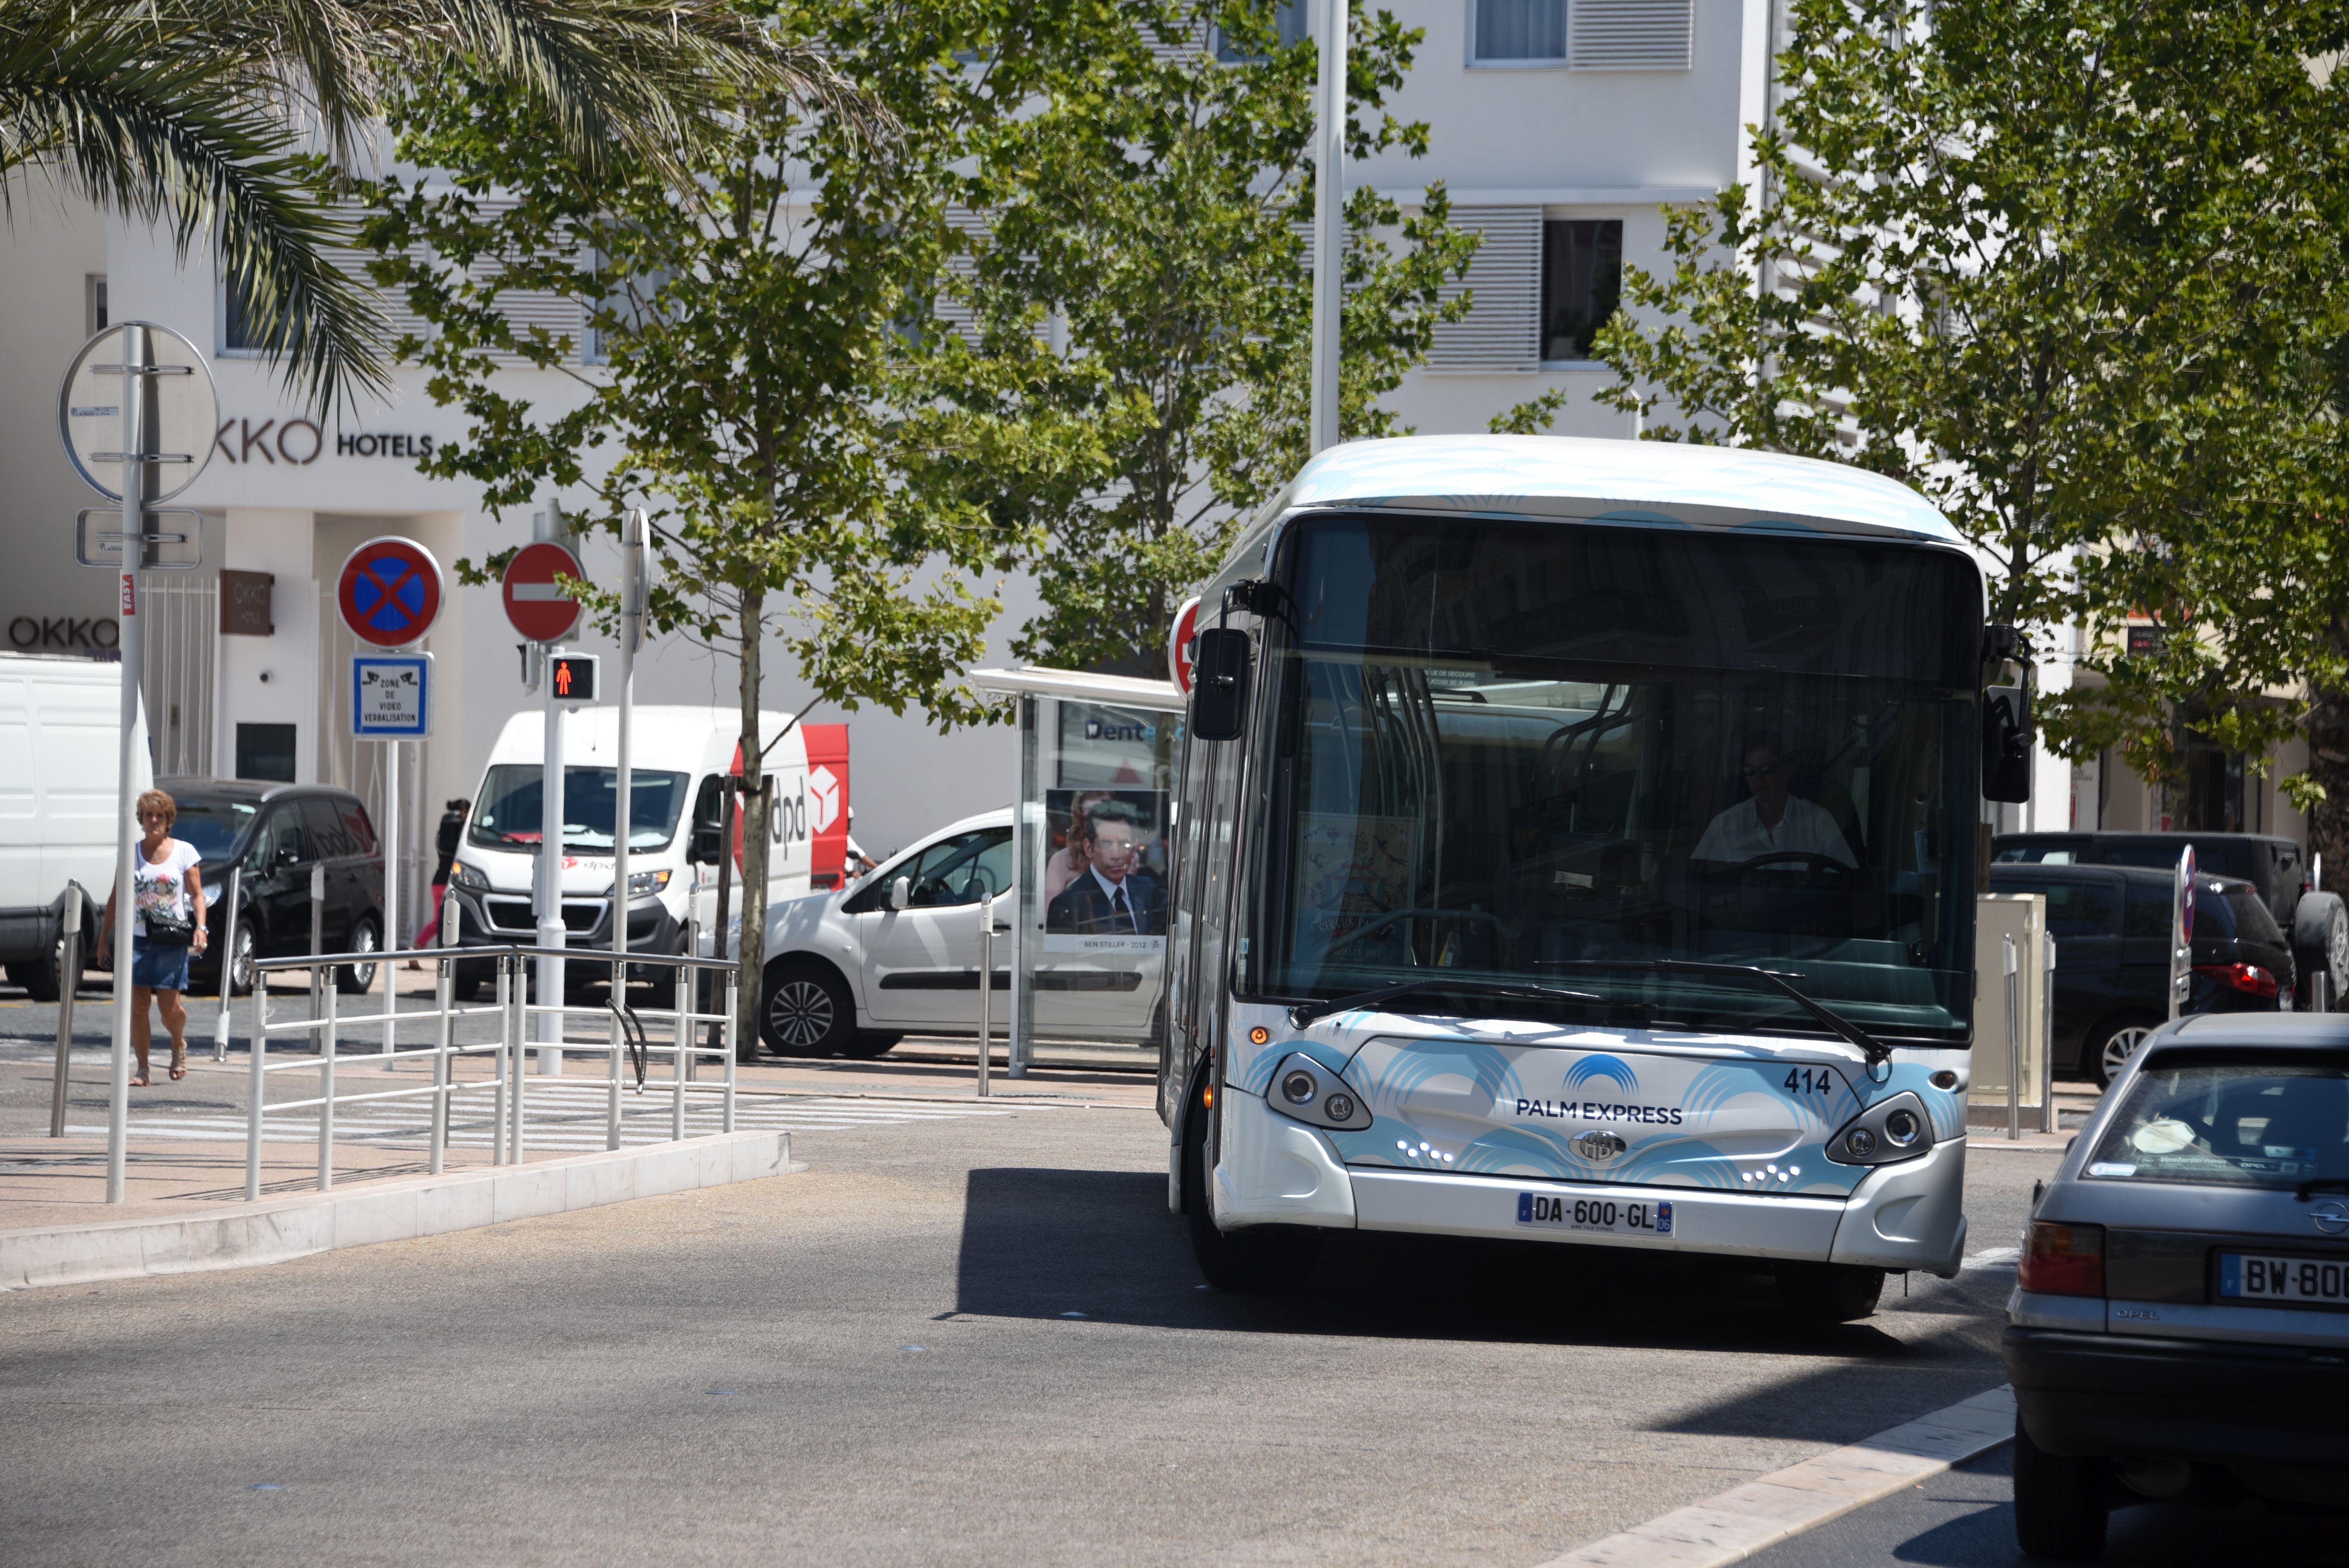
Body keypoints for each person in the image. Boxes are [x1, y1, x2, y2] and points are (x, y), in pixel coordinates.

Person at [96, 788, 207, 1085]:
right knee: (138, 1004)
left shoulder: (185, 852)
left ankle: (178, 1042)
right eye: (149, 815)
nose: (154, 820)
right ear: (142, 819)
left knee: (169, 1008)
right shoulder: (130, 853)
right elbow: (116, 897)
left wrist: (201, 927)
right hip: (137, 939)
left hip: (170, 939)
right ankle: (143, 1069)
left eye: (160, 815)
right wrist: (103, 938)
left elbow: (197, 896)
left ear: (169, 820)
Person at [1693, 735, 1856, 867]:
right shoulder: (1724, 825)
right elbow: (1698, 881)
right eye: (1750, 771)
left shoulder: (1818, 822)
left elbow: (1845, 880)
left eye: (1767, 769)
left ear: (1788, 770)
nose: (1758, 778)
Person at [1045, 800, 1166, 935]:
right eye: (1106, 844)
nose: (1116, 855)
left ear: (1134, 849)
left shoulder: (1147, 889)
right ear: (1089, 849)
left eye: (1124, 844)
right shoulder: (1067, 904)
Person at [413, 798, 471, 950]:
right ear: (464, 812)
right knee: (454, 922)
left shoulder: (443, 831)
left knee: (439, 922)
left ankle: (418, 947)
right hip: (451, 883)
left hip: (437, 881)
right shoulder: (460, 830)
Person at [1041, 790, 1116, 903]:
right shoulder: (1063, 860)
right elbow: (1052, 917)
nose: (1098, 823)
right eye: (1090, 817)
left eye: (1104, 815)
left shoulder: (1126, 858)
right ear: (1081, 821)